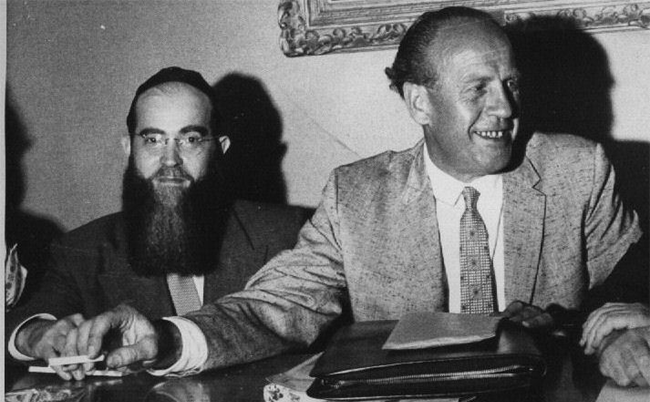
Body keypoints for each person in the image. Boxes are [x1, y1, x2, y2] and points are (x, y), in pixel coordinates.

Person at [40, 8, 643, 381]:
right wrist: (169, 337)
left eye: (510, 83)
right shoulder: (356, 197)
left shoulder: (575, 169)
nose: (505, 107)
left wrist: (628, 324)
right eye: (478, 88)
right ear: (419, 103)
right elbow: (276, 305)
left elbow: (631, 280)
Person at [5, 67, 309, 380]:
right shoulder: (81, 252)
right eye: (153, 140)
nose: (170, 159)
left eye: (190, 139)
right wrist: (34, 335)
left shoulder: (284, 235)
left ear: (219, 148)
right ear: (129, 149)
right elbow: (25, 320)